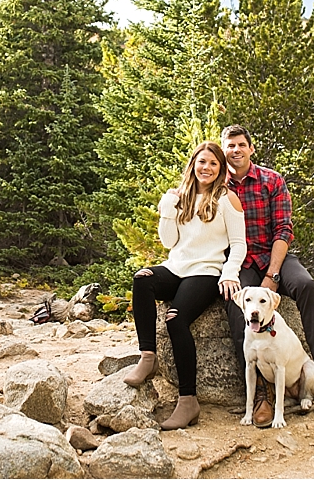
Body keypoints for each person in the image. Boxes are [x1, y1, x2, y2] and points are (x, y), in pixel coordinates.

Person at [220, 125, 314, 428]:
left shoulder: (271, 180)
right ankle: (261, 395)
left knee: (305, 285)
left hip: (274, 254)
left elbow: (284, 230)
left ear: (251, 148)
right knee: (237, 305)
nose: (235, 151)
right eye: (229, 146)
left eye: (240, 145)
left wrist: (273, 274)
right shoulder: (217, 186)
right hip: (241, 260)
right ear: (223, 151)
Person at [122, 141, 247, 430]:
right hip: (176, 267)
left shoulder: (227, 199)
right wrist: (167, 208)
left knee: (176, 319)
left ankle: (188, 401)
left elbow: (239, 244)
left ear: (220, 169)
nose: (206, 168)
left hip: (206, 271)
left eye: (213, 164)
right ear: (193, 164)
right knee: (142, 280)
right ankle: (148, 356)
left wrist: (230, 272)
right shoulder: (180, 198)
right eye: (202, 162)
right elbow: (168, 242)